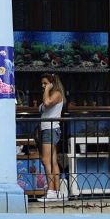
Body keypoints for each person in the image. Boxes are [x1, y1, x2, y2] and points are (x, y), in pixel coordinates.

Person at [37, 73, 66, 202]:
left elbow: (47, 103)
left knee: (45, 160)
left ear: (52, 83)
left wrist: (48, 90)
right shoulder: (51, 94)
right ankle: (56, 192)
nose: (43, 86)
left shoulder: (57, 93)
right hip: (48, 129)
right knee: (53, 161)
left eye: (45, 83)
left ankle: (51, 191)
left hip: (50, 128)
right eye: (42, 83)